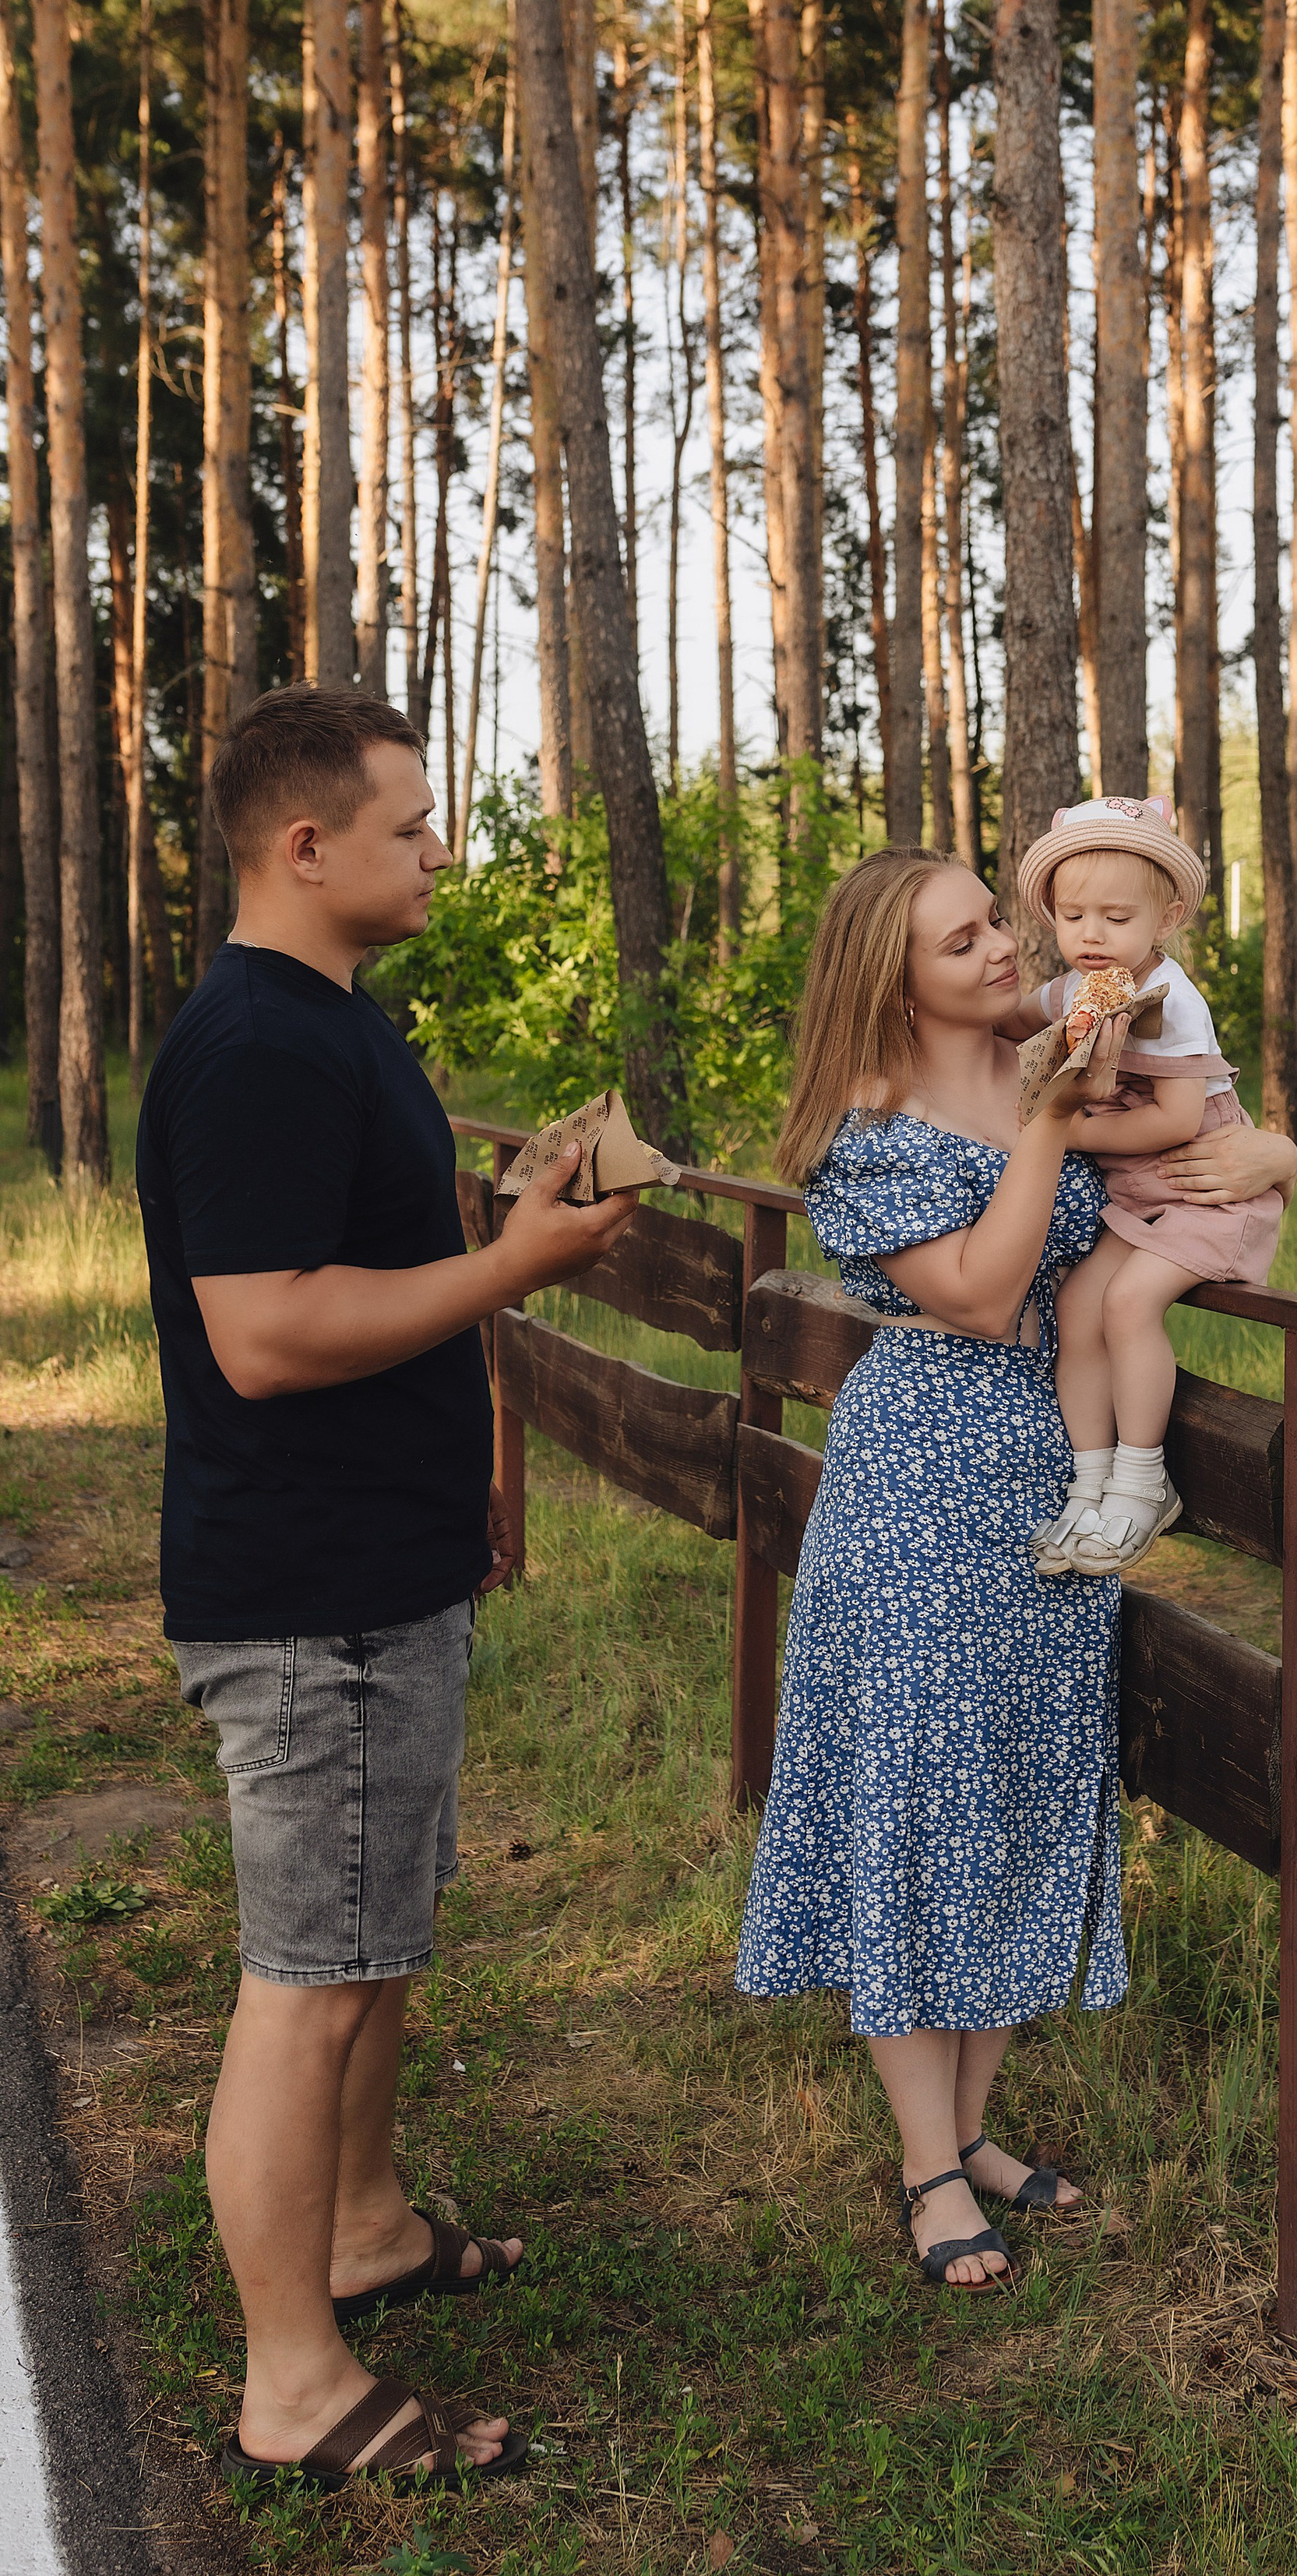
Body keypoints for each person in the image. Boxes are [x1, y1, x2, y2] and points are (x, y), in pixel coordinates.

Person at [136, 683, 640, 2491]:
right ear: (306, 845)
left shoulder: (339, 1022)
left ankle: (359, 2229)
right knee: (312, 1977)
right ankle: (293, 2381)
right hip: (308, 1592)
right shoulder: (261, 1044)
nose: (440, 848)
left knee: (373, 1945)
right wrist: (514, 1264)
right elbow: (266, 1334)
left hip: (378, 1571)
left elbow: (355, 1256)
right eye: (414, 824)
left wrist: (498, 1208)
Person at [733, 849, 1297, 2291]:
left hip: (1057, 1472)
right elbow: (983, 1297)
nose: (1004, 947)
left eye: (996, 917)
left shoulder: (1062, 1042)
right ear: (892, 978)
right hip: (923, 1479)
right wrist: (1049, 1115)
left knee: (1019, 1783)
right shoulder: (864, 1130)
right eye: (962, 939)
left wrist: (1278, 1155)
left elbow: (1209, 1129)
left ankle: (975, 2128)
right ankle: (929, 2166)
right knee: (922, 1799)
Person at [1004, 795, 1288, 1579]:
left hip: (1203, 1191)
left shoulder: (1174, 1004)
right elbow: (1009, 1019)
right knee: (1076, 1305)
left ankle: (1140, 1481)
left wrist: (1062, 1127)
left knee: (1129, 1304)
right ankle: (1089, 1483)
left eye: (1115, 918)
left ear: (1164, 919)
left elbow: (1172, 1120)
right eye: (1072, 916)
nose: (1090, 935)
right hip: (1133, 1202)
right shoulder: (1077, 987)